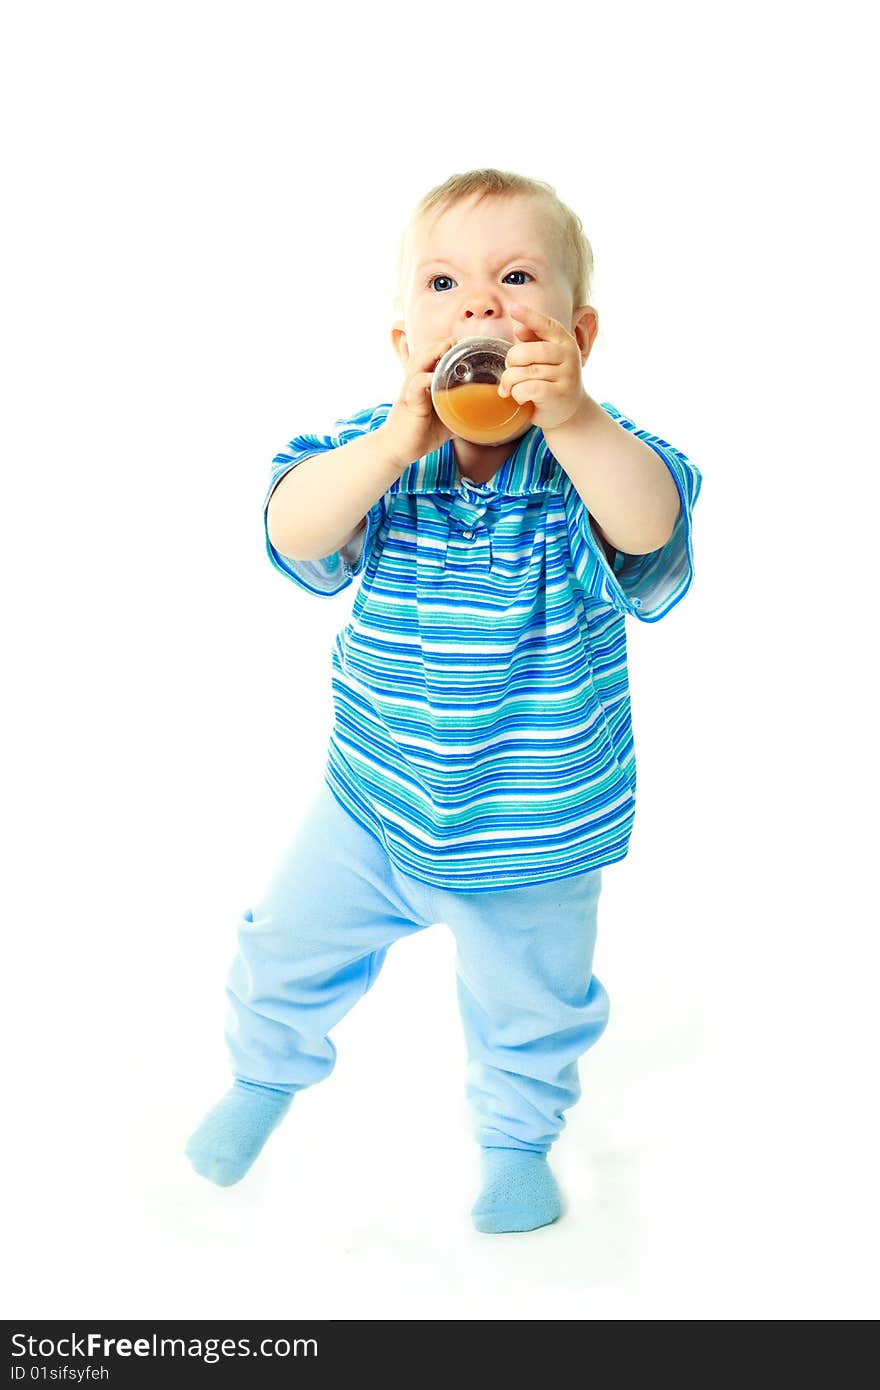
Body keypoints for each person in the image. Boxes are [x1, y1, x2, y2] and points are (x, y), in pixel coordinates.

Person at [186, 168, 702, 1234]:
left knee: (533, 1009)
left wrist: (575, 418)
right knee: (283, 940)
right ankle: (263, 1075)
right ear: (402, 339)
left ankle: (516, 1141)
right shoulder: (377, 455)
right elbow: (295, 531)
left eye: (515, 277)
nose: (479, 304)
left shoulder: (593, 463)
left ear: (577, 331)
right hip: (373, 801)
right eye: (443, 282)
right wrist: (387, 444)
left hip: (535, 828)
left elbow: (648, 526)